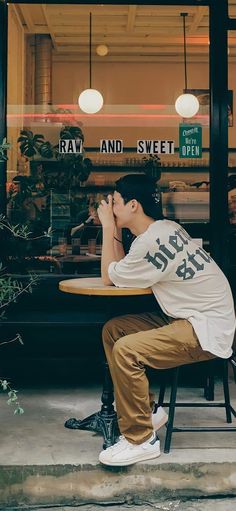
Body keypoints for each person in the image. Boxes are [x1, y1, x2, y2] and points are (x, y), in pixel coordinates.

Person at [97, 174, 236, 467]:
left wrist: (108, 226)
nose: (111, 208)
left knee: (126, 349)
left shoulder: (151, 241)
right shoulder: (164, 229)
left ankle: (140, 440)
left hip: (205, 328)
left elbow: (108, 277)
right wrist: (113, 228)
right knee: (115, 330)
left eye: (116, 202)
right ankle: (146, 412)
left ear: (133, 205)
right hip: (189, 317)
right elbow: (119, 269)